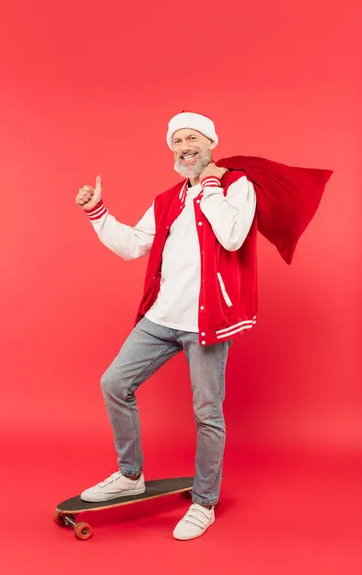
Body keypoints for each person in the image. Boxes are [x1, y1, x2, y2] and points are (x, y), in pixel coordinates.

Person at [75, 111, 257, 541]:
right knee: (114, 383)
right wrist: (96, 212)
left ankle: (205, 501)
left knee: (207, 413)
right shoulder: (167, 200)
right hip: (161, 318)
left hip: (206, 322)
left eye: (193, 138)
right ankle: (129, 474)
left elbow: (232, 236)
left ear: (210, 143)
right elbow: (133, 245)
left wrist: (209, 185)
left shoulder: (236, 186)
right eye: (177, 141)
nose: (184, 147)